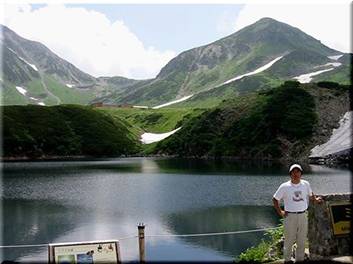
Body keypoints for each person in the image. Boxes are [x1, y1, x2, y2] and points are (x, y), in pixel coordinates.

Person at [272, 164, 322, 263]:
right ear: (290, 174)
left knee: (302, 240)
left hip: (303, 215)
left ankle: (300, 259)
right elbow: (275, 199)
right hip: (290, 216)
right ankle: (287, 260)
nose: (296, 174)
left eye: (298, 171)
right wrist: (280, 212)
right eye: (293, 172)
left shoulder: (305, 184)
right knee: (289, 240)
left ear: (301, 173)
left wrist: (315, 199)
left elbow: (310, 194)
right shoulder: (285, 186)